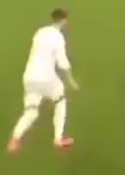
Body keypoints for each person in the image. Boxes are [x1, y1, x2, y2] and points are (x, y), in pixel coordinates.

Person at [7, 8, 79, 154]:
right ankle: (58, 138)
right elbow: (62, 62)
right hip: (46, 77)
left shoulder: (40, 32)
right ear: (64, 20)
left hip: (29, 76)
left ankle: (15, 139)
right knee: (60, 100)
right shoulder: (58, 37)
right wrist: (71, 80)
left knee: (31, 112)